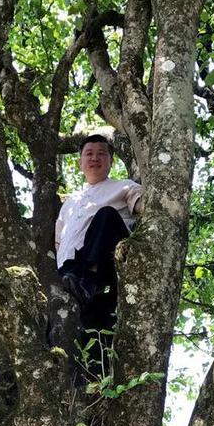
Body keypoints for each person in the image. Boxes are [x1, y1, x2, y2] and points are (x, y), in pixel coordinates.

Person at [55, 135, 142, 322]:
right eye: (89, 154)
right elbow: (58, 242)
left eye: (101, 154)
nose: (95, 158)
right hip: (70, 270)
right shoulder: (69, 203)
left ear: (111, 161)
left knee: (106, 215)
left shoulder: (124, 186)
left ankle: (90, 281)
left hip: (105, 264)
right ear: (80, 163)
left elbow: (145, 205)